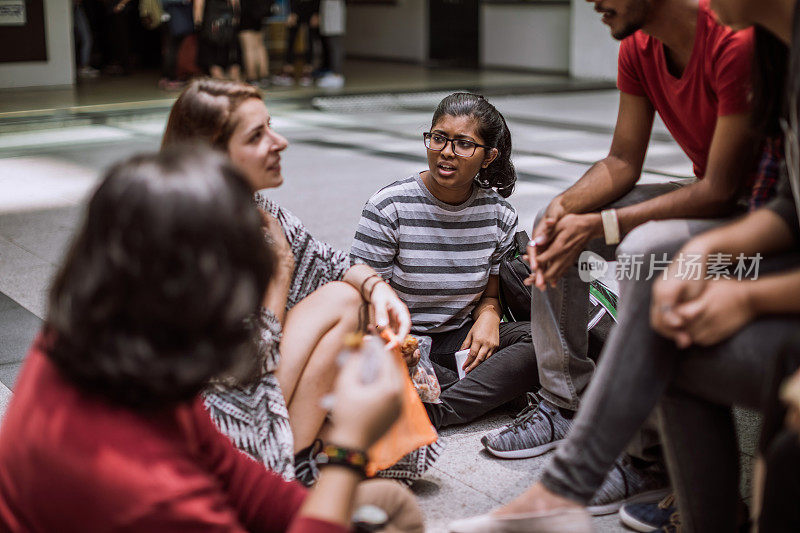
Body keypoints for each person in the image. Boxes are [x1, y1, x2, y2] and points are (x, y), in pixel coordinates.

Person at [449, 0, 800, 530]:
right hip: (750, 210)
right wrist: (567, 209)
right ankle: (566, 404)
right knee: (556, 221)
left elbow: (726, 191)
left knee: (643, 251)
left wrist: (609, 228)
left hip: (733, 207)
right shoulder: (657, 47)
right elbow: (622, 160)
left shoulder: (742, 43)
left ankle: (626, 463)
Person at [0, 148, 413, 532]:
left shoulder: (93, 344)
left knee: (390, 505)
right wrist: (348, 449)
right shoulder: (145, 488)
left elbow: (239, 480)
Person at [161, 79, 438, 485]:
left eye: (271, 126)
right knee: (344, 303)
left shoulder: (254, 209)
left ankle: (298, 452)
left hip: (255, 387)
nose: (280, 142)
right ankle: (283, 458)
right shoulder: (190, 237)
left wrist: (380, 290)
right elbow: (235, 367)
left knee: (353, 298)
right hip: (217, 412)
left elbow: (334, 261)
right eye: (258, 136)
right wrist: (281, 276)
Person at [351, 92, 537, 430]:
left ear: (488, 156)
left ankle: (433, 410)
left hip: (458, 339)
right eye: (439, 138)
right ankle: (479, 394)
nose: (446, 152)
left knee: (539, 339)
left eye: (463, 143)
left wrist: (490, 317)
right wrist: (395, 344)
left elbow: (491, 295)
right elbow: (361, 300)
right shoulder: (389, 206)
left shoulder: (499, 215)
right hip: (399, 341)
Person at [272, 0, 320, 86]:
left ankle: (307, 72)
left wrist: (316, 12)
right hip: (297, 8)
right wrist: (291, 12)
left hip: (309, 7)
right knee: (291, 39)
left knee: (308, 39)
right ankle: (289, 71)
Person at [194, 0, 242, 80]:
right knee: (232, 61)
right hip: (228, 25)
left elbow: (198, 4)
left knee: (213, 62)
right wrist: (236, 19)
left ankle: (221, 83)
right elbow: (236, 4)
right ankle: (235, 85)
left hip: (210, 25)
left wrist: (198, 22)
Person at [239, 0, 271, 85]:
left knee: (248, 47)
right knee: (260, 45)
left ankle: (252, 76)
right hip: (259, 12)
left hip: (247, 13)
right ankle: (264, 75)